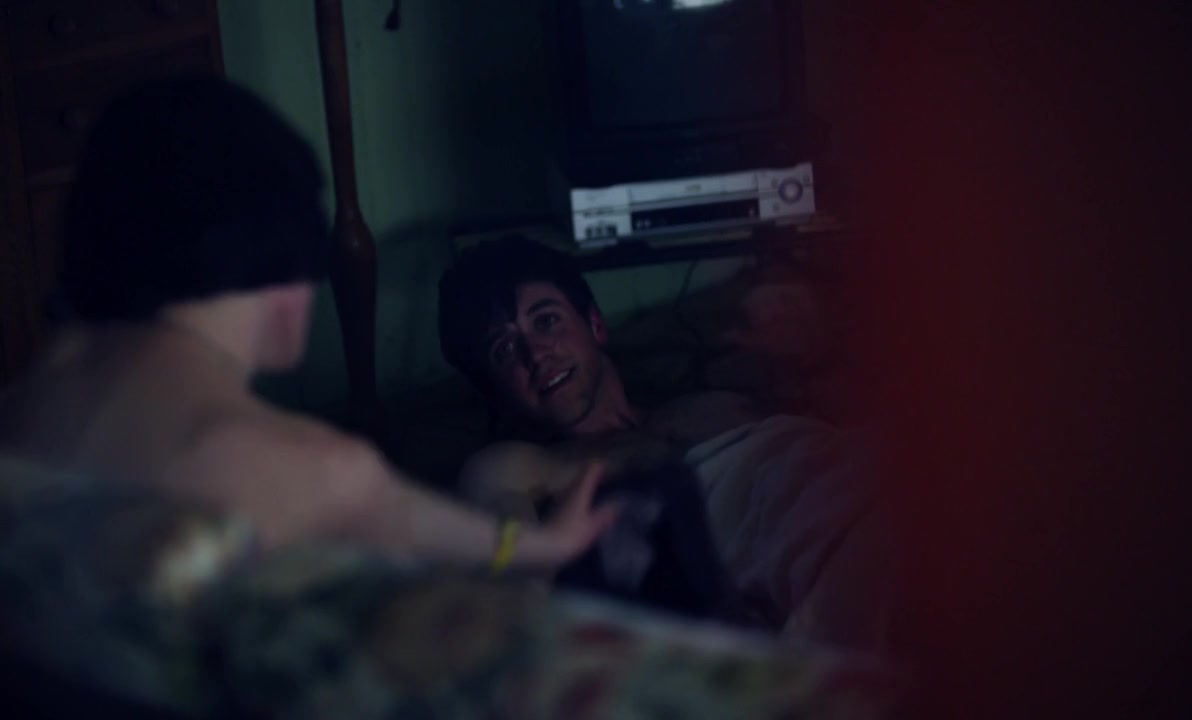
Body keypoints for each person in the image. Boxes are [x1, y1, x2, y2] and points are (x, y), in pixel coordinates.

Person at [0, 74, 615, 572]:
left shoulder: (29, 401)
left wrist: (534, 544)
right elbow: (415, 524)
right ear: (287, 268)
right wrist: (544, 546)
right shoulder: (310, 469)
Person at [438, 236, 891, 649]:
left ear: (595, 325)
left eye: (547, 321)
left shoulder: (717, 398)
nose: (537, 354)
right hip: (827, 565)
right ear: (496, 392)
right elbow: (511, 561)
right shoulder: (519, 465)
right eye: (505, 350)